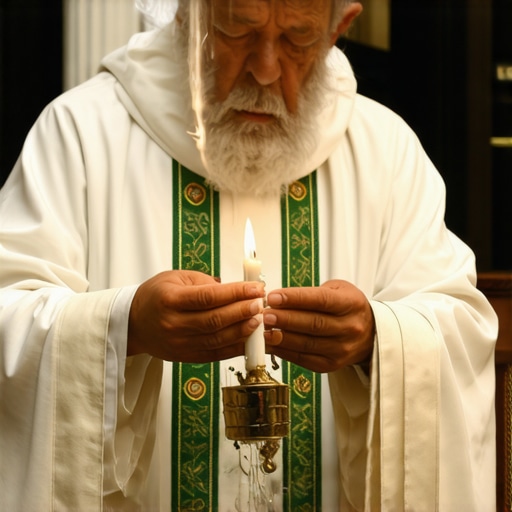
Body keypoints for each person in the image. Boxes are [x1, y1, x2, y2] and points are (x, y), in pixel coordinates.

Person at [0, 0, 497, 510]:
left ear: (337, 29)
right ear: (185, 17)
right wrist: (127, 327)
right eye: (237, 31)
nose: (264, 68)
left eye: (297, 40)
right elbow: (9, 314)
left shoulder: (385, 151)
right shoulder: (81, 133)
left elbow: (458, 326)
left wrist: (376, 339)